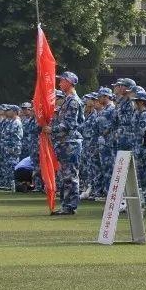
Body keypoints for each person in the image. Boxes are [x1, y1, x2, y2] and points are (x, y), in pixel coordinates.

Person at [48, 72, 84, 215]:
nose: (60, 83)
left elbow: (69, 124)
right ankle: (66, 204)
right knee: (65, 176)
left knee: (70, 176)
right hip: (65, 143)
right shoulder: (67, 100)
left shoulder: (73, 101)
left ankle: (70, 206)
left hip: (71, 143)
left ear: (69, 82)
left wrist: (52, 129)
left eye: (62, 81)